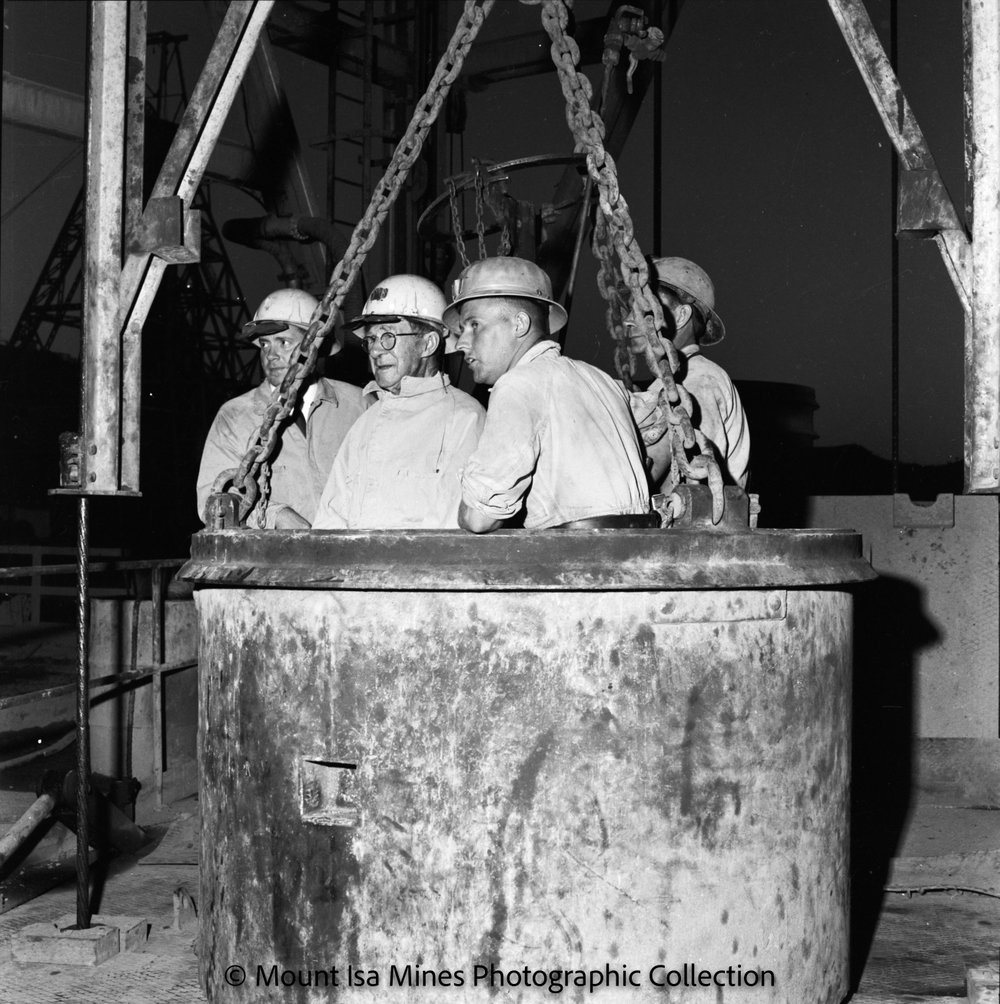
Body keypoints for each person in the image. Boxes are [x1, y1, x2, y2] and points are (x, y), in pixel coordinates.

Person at [448, 256, 652, 532]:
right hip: (636, 553)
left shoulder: (519, 385)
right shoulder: (601, 379)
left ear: (519, 324)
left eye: (474, 325)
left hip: (575, 562)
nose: (461, 343)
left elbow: (479, 518)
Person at [312, 275, 485, 529]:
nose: (375, 350)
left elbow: (451, 532)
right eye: (371, 340)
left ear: (428, 344)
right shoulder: (366, 422)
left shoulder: (465, 418)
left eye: (388, 337)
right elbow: (330, 519)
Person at [196, 288, 365, 528]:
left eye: (283, 343)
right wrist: (276, 515)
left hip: (353, 558)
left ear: (314, 346)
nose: (270, 356)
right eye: (264, 345)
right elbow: (212, 501)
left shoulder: (358, 405)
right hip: (275, 560)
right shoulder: (235, 416)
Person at [629, 257, 749, 489]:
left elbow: (695, 481)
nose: (628, 321)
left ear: (682, 316)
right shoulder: (678, 378)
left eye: (645, 309)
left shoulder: (697, 380)